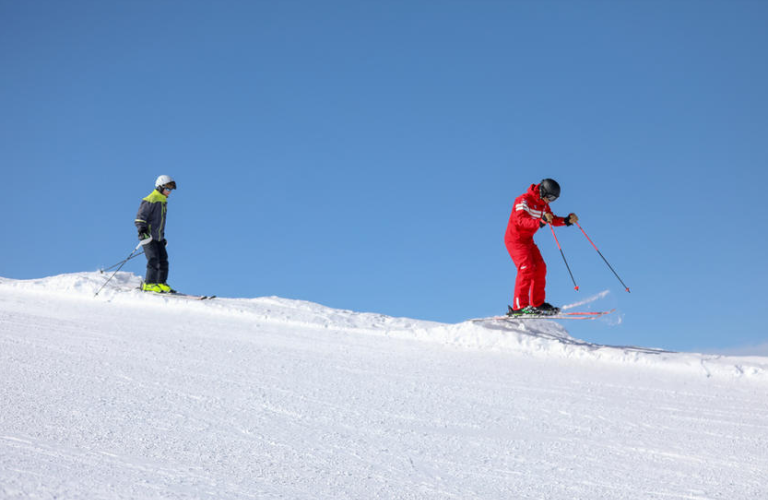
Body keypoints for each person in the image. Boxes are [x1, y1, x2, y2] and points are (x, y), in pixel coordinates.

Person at [505, 178, 578, 315]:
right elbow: (520, 220)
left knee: (540, 267)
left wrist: (566, 220)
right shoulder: (523, 200)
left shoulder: (543, 205)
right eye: (549, 197)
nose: (550, 200)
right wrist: (540, 221)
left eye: (554, 199)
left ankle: (537, 303)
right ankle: (519, 307)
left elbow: (551, 218)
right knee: (526, 268)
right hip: (515, 240)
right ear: (542, 191)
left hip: (527, 240)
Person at [135, 175, 177, 293]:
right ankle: (149, 283)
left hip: (158, 237)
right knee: (153, 259)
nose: (169, 191)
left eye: (171, 189)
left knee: (163, 260)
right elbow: (140, 218)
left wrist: (162, 237)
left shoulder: (162, 201)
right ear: (160, 187)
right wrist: (142, 231)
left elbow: (159, 223)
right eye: (167, 188)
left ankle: (160, 283)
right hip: (148, 237)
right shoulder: (151, 199)